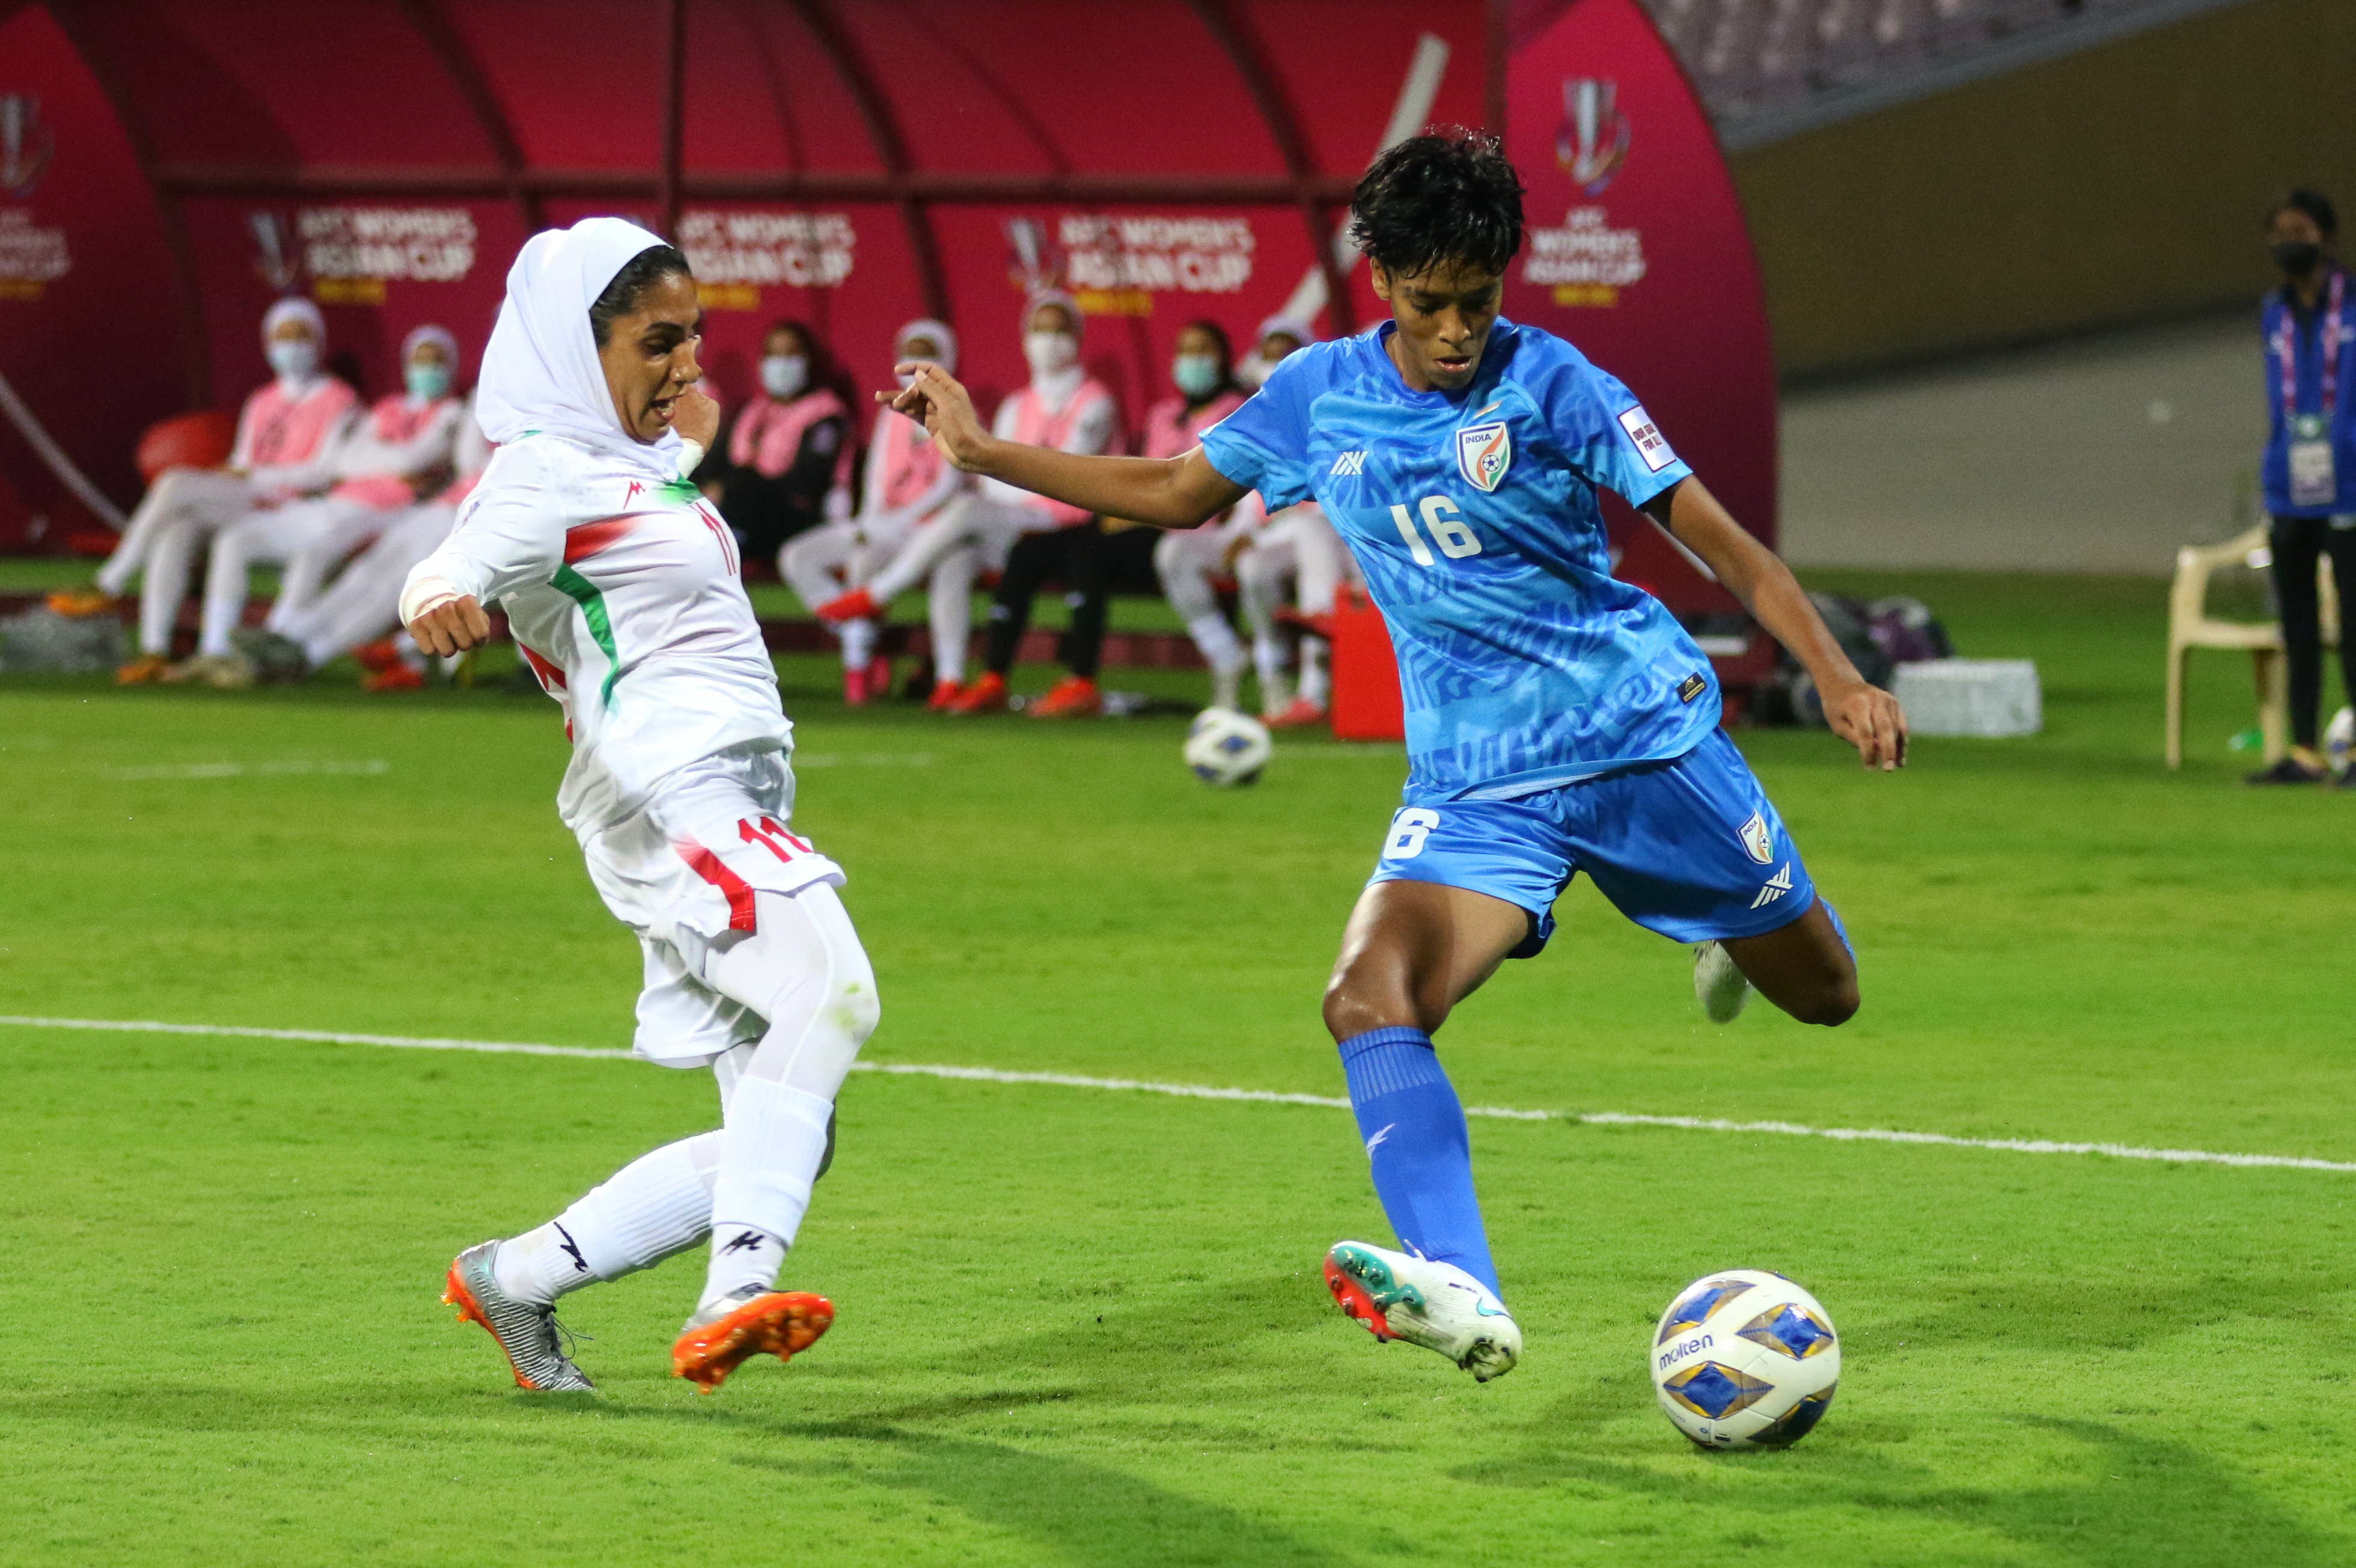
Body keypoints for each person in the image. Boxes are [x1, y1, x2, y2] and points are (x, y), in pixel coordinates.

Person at [879, 130, 1904, 1384]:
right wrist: (982, 453)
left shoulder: (1557, 381)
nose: (1458, 328)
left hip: (1640, 742)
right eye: (1431, 302)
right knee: (1366, 997)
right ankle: (1461, 1283)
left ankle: (1715, 927)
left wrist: (1837, 674)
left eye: (1479, 298)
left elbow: (1725, 544)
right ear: (1382, 282)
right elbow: (1174, 489)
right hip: (1476, 786)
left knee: (1825, 993)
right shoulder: (1318, 394)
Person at [401, 219, 878, 1394]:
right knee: (832, 987)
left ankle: (513, 1274)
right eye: (658, 341)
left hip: (720, 789)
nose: (688, 364)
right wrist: (437, 598)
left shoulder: (625, 460)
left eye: (695, 337)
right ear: (579, 347)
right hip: (673, 792)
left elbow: (642, 514)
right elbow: (454, 558)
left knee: (790, 1126)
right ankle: (735, 1291)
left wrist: (686, 440)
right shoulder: (540, 473)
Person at [817, 291, 1120, 718]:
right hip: (1012, 525)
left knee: (964, 509)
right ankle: (951, 679)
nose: (1048, 340)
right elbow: (994, 478)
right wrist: (1014, 482)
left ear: (1078, 337)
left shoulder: (1095, 401)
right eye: (1039, 330)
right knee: (954, 560)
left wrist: (1012, 481)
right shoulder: (1017, 405)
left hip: (1067, 525)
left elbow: (1065, 480)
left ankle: (879, 593)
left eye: (1059, 330)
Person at [51, 298, 359, 683]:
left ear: (319, 342)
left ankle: (110, 582)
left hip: (290, 507)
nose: (292, 345)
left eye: (301, 336)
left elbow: (326, 473)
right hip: (247, 497)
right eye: (283, 337)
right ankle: (155, 650)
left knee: (175, 483)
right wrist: (232, 474)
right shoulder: (262, 400)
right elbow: (243, 458)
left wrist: (253, 476)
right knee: (178, 529)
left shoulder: (340, 399)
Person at [172, 325, 465, 688]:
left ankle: (291, 648)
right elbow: (346, 462)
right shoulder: (387, 408)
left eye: (437, 361)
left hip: (399, 510)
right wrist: (394, 463)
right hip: (345, 500)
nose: (428, 369)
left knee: (378, 581)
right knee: (262, 547)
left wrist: (378, 458)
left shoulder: (454, 413)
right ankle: (247, 647)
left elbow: (417, 459)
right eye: (421, 360)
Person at [780, 319, 966, 706]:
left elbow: (950, 485)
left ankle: (858, 669)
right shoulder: (892, 413)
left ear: (947, 359)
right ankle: (859, 635)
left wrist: (897, 522)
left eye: (927, 354)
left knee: (862, 564)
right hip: (883, 525)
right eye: (910, 353)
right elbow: (876, 477)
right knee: (797, 557)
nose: (917, 363)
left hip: (930, 531)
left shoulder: (957, 412)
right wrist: (869, 522)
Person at [251, 392, 493, 689]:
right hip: (439, 507)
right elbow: (467, 463)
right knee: (366, 572)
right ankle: (292, 637)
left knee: (395, 589)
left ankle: (312, 656)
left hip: (477, 522)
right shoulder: (488, 403)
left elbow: (472, 464)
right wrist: (482, 399)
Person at [2248, 188, 2356, 786]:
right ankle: (2305, 749)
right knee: (2298, 625)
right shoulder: (2274, 312)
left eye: (2300, 232)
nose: (2289, 243)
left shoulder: (2352, 306)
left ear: (2326, 238)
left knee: (2355, 621)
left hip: (2351, 485)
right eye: (2280, 233)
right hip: (2290, 485)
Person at [1227, 316, 1361, 726]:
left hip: (1348, 544)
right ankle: (1276, 683)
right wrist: (1243, 534)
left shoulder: (1336, 417)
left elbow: (1339, 503)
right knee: (1252, 566)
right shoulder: (1259, 425)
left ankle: (1315, 686)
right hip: (1291, 541)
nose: (1275, 367)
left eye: (1285, 357)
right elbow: (1248, 501)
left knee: (1311, 530)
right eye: (1268, 358)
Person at [1142, 320, 1251, 710]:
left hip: (1222, 526)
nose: (1193, 360)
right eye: (1185, 351)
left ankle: (1275, 678)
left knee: (1172, 550)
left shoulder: (1238, 409)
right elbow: (1146, 476)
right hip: (1162, 520)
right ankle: (1226, 656)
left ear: (1223, 357)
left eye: (1203, 350)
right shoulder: (1164, 414)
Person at [699, 319, 852, 561]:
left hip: (794, 514)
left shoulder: (825, 413)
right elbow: (719, 461)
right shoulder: (755, 409)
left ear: (809, 360)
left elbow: (809, 480)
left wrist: (739, 489)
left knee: (745, 485)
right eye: (773, 354)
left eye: (790, 354)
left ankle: (730, 544)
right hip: (742, 504)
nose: (781, 364)